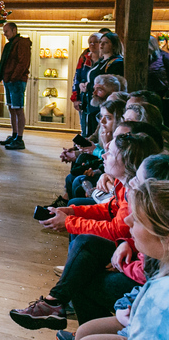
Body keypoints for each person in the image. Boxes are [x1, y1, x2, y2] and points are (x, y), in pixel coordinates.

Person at [9, 133, 160, 331]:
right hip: (132, 254)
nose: (103, 155)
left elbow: (120, 230)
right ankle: (59, 303)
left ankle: (68, 311)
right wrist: (72, 212)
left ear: (128, 161)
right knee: (82, 232)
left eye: (110, 153)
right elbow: (112, 211)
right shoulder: (127, 185)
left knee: (83, 274)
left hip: (138, 271)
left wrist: (70, 222)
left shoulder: (138, 192)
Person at [74, 178, 169, 339]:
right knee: (84, 333)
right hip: (136, 320)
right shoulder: (160, 265)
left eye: (137, 219)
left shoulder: (163, 292)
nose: (127, 221)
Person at [0, 22, 32, 150]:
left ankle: (20, 139)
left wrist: (13, 77)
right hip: (9, 80)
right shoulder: (10, 44)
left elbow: (23, 62)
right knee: (11, 108)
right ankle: (15, 134)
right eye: (4, 31)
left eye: (6, 31)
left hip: (16, 81)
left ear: (14, 30)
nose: (5, 34)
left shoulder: (21, 43)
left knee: (18, 109)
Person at [82, 34, 124, 137]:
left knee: (100, 132)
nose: (101, 45)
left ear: (114, 45)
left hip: (104, 102)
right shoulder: (101, 62)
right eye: (100, 42)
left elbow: (109, 83)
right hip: (93, 101)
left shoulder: (117, 62)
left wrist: (88, 86)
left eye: (105, 43)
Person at [72, 33, 102, 133]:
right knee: (84, 127)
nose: (92, 44)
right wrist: (75, 98)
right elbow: (77, 78)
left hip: (98, 98)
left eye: (96, 42)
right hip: (84, 98)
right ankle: (84, 146)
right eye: (90, 42)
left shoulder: (104, 61)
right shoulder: (84, 59)